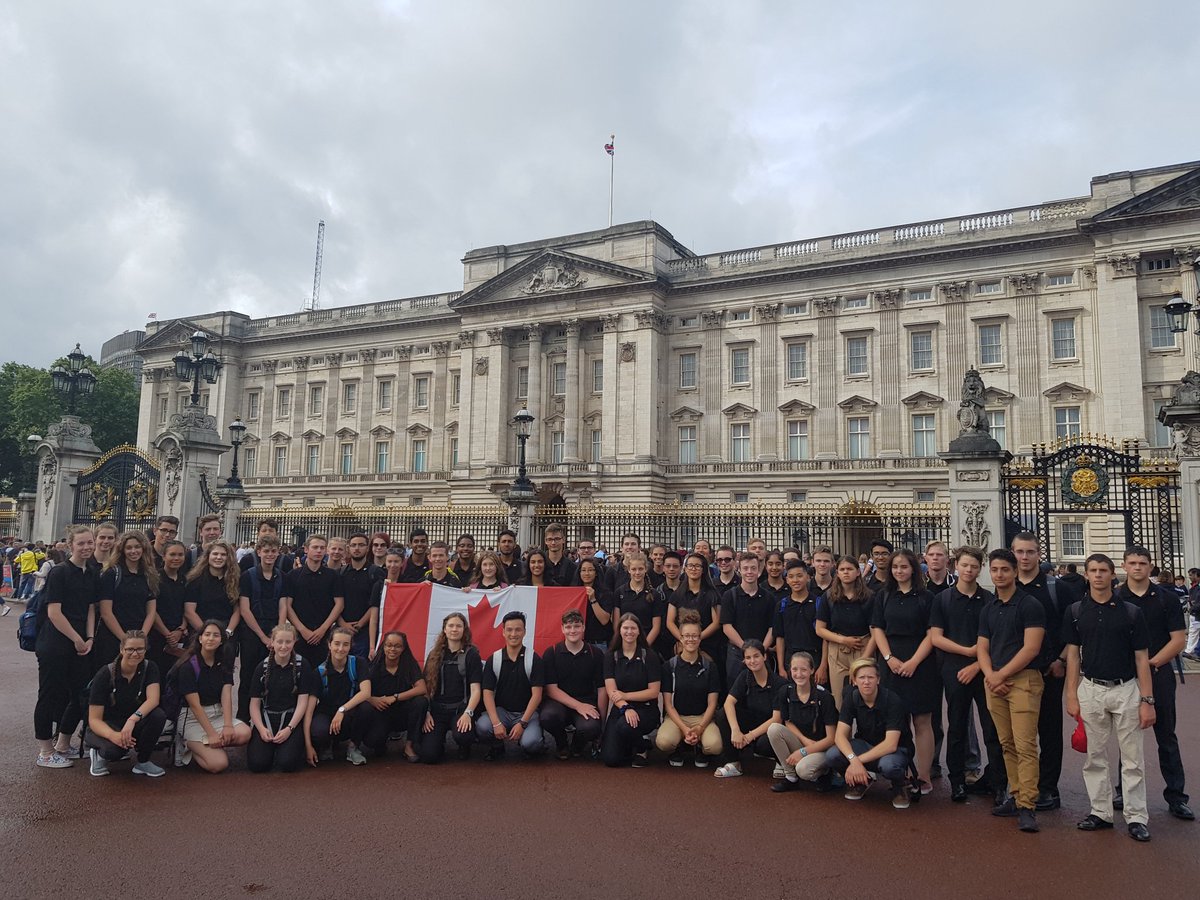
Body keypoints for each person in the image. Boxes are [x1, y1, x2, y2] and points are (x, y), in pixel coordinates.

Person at [1065, 553, 1157, 842]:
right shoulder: (1076, 611)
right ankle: (1101, 811)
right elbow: (1072, 656)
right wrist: (1071, 693)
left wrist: (1147, 700)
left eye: (1103, 570)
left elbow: (1142, 658)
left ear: (1112, 573)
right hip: (1091, 689)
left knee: (1132, 759)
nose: (1098, 575)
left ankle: (1136, 816)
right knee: (1095, 756)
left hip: (1126, 688)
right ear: (1086, 574)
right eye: (1092, 570)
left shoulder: (1130, 612)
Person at [1114, 547, 1191, 820]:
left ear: (1151, 566)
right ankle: (1124, 791)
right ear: (1124, 565)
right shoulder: (1114, 598)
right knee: (1127, 738)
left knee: (1166, 735)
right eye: (1132, 563)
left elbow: (1178, 640)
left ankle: (1176, 795)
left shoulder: (1166, 598)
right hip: (1125, 677)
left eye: (1142, 563)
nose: (1137, 567)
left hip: (1158, 674)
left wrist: (1151, 663)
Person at [929, 546, 1005, 803]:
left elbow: (997, 639)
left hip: (983, 671)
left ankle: (997, 781)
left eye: (974, 566)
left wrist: (976, 662)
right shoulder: (943, 599)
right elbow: (936, 638)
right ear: (956, 566)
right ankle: (957, 781)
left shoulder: (990, 599)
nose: (969, 570)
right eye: (965, 566)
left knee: (991, 728)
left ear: (980, 568)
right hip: (953, 669)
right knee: (957, 726)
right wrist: (967, 651)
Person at [978, 548, 1046, 833]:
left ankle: (1028, 804)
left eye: (1005, 569)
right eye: (995, 570)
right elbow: (982, 646)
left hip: (1023, 680)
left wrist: (1000, 674)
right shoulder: (989, 607)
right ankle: (1016, 795)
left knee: (1025, 745)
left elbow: (1031, 648)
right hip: (995, 681)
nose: (999, 575)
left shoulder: (1030, 605)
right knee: (1006, 743)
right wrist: (991, 675)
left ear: (1015, 572)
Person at [1011, 530, 1078, 812]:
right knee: (1017, 732)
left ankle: (1048, 787)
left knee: (1048, 730)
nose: (1025, 557)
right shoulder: (1006, 585)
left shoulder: (1057, 588)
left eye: (1030, 552)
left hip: (1050, 669)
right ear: (1013, 553)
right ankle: (1023, 784)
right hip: (1015, 670)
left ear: (1039, 554)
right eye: (1020, 552)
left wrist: (1061, 660)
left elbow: (1073, 629)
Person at [870, 548, 938, 793]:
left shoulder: (927, 597)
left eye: (904, 567)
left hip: (920, 663)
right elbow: (877, 628)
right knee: (895, 721)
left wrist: (913, 662)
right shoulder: (883, 595)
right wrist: (888, 657)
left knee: (922, 721)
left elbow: (932, 633)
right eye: (895, 567)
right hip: (890, 661)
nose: (899, 571)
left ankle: (924, 775)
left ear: (913, 569)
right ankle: (900, 770)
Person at [33, 525, 98, 768]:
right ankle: (45, 751)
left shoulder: (91, 572)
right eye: (81, 543)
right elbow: (54, 613)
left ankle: (62, 743)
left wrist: (89, 637)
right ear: (70, 545)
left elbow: (91, 608)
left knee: (80, 694)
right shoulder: (59, 572)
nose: (86, 547)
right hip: (56, 642)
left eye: (89, 542)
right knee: (49, 695)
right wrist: (77, 639)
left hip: (81, 642)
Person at [825, 658, 916, 809]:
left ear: (878, 679)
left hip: (896, 750)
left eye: (870, 677)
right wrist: (853, 759)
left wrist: (856, 761)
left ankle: (900, 786)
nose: (866, 682)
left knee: (889, 766)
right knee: (832, 755)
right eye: (861, 677)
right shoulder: (851, 698)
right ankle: (861, 782)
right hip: (866, 744)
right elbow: (839, 736)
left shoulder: (892, 700)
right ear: (854, 680)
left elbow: (891, 744)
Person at [84, 630, 167, 777]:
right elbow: (94, 719)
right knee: (114, 751)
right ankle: (98, 753)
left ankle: (143, 761)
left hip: (131, 722)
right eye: (130, 649)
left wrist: (132, 719)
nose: (135, 654)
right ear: (122, 649)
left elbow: (153, 699)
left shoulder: (150, 667)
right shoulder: (105, 674)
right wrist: (113, 735)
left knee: (158, 715)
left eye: (140, 649)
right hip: (107, 724)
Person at [173, 620, 251, 773]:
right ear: (200, 638)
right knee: (219, 764)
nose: (211, 638)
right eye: (207, 634)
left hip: (217, 715)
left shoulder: (224, 662)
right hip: (192, 718)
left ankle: (206, 744)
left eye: (216, 635)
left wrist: (228, 725)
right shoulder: (188, 666)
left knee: (245, 733)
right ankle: (186, 743)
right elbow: (194, 705)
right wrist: (211, 734)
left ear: (221, 640)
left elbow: (226, 694)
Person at [247, 624, 320, 773]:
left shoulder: (302, 665)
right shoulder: (262, 667)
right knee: (258, 765)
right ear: (272, 642)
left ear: (294, 642)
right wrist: (261, 729)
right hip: (268, 719)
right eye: (279, 642)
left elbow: (302, 702)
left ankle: (287, 749)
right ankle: (270, 748)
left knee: (287, 764)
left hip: (291, 719)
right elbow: (254, 704)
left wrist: (289, 728)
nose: (283, 646)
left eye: (288, 642)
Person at [656, 610, 722, 767]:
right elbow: (668, 704)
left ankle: (700, 747)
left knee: (715, 746)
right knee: (664, 742)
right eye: (687, 636)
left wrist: (699, 728)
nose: (690, 639)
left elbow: (712, 703)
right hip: (676, 717)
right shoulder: (669, 666)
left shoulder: (710, 666)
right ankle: (678, 747)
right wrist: (685, 729)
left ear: (700, 638)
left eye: (694, 636)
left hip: (702, 718)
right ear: (680, 638)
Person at [477, 611, 545, 760]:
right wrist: (495, 723)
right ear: (503, 632)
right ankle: (497, 746)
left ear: (525, 631)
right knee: (482, 726)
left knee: (531, 743)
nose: (513, 634)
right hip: (502, 712)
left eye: (518, 629)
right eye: (509, 629)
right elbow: (487, 693)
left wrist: (523, 723)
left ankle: (528, 742)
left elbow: (537, 695)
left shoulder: (534, 659)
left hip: (527, 713)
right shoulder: (494, 659)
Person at [416, 612, 483, 764]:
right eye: (451, 626)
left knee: (463, 735)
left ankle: (464, 745)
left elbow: (476, 690)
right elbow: (425, 688)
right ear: (444, 629)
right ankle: (438, 744)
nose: (454, 629)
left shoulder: (472, 654)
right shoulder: (434, 654)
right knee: (428, 756)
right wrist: (427, 712)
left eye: (459, 626)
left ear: (464, 630)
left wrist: (468, 713)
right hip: (437, 711)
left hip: (461, 708)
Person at [767, 650, 838, 792]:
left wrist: (804, 752)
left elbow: (831, 739)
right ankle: (790, 777)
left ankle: (825, 772)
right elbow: (788, 721)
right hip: (804, 743)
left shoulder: (824, 697)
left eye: (804, 669)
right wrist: (804, 742)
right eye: (794, 669)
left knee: (804, 770)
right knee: (774, 728)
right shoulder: (785, 691)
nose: (798, 674)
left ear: (812, 670)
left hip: (823, 747)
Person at [541, 609, 607, 759]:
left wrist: (601, 724)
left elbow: (602, 689)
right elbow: (551, 689)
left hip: (586, 701)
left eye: (577, 626)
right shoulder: (551, 652)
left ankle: (578, 745)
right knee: (547, 717)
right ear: (562, 629)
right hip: (558, 702)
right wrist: (577, 705)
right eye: (568, 627)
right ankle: (561, 743)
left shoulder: (595, 653)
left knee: (591, 727)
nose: (573, 630)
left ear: (583, 628)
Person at [715, 639, 785, 778]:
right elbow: (728, 703)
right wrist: (735, 730)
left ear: (764, 656)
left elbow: (777, 718)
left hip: (772, 727)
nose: (752, 661)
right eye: (748, 657)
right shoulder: (744, 676)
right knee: (722, 714)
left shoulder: (779, 683)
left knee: (763, 744)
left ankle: (781, 762)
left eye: (756, 656)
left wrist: (749, 736)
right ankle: (733, 763)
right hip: (753, 720)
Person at [601, 613, 662, 768]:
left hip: (646, 709)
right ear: (619, 630)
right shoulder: (610, 656)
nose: (629, 632)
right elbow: (611, 691)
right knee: (611, 759)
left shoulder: (649, 655)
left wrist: (627, 696)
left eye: (633, 628)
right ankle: (634, 743)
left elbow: (653, 692)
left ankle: (642, 746)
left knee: (624, 726)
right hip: (621, 708)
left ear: (639, 631)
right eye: (625, 628)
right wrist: (626, 706)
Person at [305, 626, 372, 766]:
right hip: (326, 714)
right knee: (318, 731)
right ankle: (326, 745)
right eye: (337, 643)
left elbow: (366, 692)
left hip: (348, 713)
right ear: (329, 644)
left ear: (351, 646)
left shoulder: (359, 663)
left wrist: (342, 710)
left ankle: (353, 748)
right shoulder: (319, 672)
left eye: (345, 644)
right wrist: (308, 746)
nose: (340, 649)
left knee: (366, 708)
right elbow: (309, 711)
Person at [815, 556, 877, 708]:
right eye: (842, 570)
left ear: (858, 572)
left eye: (849, 569)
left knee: (867, 698)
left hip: (863, 648)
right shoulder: (829, 597)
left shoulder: (869, 597)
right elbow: (820, 629)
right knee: (839, 701)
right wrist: (843, 640)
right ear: (837, 573)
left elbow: (875, 633)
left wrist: (865, 659)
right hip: (838, 650)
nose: (846, 573)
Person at [236, 535, 286, 721]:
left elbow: (283, 607)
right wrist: (263, 637)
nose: (270, 555)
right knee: (248, 676)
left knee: (271, 676)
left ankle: (266, 716)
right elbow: (244, 609)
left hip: (273, 630)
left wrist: (278, 634)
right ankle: (243, 717)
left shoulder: (282, 577)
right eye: (266, 551)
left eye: (273, 551)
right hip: (251, 632)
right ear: (259, 552)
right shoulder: (247, 576)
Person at [95, 530, 159, 671]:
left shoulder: (149, 575)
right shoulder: (111, 573)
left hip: (140, 636)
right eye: (129, 547)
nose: (133, 551)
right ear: (122, 550)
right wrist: (125, 640)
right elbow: (106, 612)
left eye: (137, 547)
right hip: (114, 637)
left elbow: (151, 611)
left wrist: (141, 637)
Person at [360, 630, 426, 761]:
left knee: (420, 702)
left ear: (403, 648)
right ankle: (381, 742)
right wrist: (373, 700)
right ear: (383, 646)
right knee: (372, 742)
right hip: (381, 711)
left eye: (397, 646)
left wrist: (395, 697)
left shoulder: (409, 664)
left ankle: (409, 746)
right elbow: (360, 690)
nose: (392, 649)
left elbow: (422, 688)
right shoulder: (374, 666)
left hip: (403, 712)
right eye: (389, 645)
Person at [282, 534, 345, 667]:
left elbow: (339, 604)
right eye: (315, 547)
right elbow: (287, 605)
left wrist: (323, 629)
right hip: (299, 633)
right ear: (306, 549)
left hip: (324, 634)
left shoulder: (333, 576)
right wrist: (302, 629)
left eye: (322, 548)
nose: (319, 551)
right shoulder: (293, 575)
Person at [667, 553, 724, 682]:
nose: (693, 569)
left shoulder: (712, 594)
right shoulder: (677, 594)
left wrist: (696, 640)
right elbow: (669, 622)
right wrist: (684, 640)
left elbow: (716, 623)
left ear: (703, 569)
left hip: (707, 645)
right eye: (690, 566)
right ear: (685, 569)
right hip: (682, 645)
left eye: (697, 566)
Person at [721, 554, 774, 686]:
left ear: (759, 570)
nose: (749, 572)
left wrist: (760, 651)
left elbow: (772, 628)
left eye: (753, 568)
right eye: (745, 568)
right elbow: (727, 626)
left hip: (761, 653)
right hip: (737, 652)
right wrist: (746, 650)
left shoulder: (769, 597)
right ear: (739, 570)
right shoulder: (729, 596)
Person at [770, 560, 825, 681]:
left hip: (815, 657)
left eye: (799, 576)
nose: (795, 580)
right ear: (787, 580)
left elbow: (825, 637)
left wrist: (823, 666)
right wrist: (781, 667)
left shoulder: (819, 603)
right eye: (791, 577)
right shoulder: (782, 605)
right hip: (791, 659)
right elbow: (780, 637)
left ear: (807, 577)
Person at [339, 532, 383, 658]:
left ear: (367, 548)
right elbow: (335, 601)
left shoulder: (376, 572)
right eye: (353, 545)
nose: (357, 548)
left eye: (361, 545)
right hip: (343, 628)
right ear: (348, 548)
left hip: (366, 630)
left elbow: (376, 603)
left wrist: (359, 625)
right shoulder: (341, 573)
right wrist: (343, 624)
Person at [149, 541, 188, 677]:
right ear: (164, 556)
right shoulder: (154, 579)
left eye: (180, 555)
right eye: (172, 554)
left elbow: (186, 608)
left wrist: (181, 629)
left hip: (179, 636)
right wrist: (168, 635)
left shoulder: (185, 579)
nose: (176, 558)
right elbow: (152, 610)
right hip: (157, 635)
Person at [184, 541, 242, 633]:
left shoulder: (234, 580)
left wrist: (229, 631)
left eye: (223, 554)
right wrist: (207, 633)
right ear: (208, 556)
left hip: (226, 631)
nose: (219, 557)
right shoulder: (195, 580)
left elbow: (237, 610)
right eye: (215, 554)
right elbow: (189, 612)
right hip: (201, 632)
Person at [613, 552, 661, 654]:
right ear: (629, 570)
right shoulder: (619, 592)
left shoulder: (654, 594)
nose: (637, 572)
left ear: (646, 569)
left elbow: (656, 626)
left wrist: (644, 647)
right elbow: (617, 623)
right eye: (634, 569)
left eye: (640, 569)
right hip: (625, 643)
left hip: (647, 645)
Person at [572, 556, 614, 649]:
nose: (586, 573)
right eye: (583, 570)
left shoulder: (606, 593)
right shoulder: (573, 593)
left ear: (596, 573)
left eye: (590, 570)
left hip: (598, 643)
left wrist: (593, 600)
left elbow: (604, 620)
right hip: (577, 642)